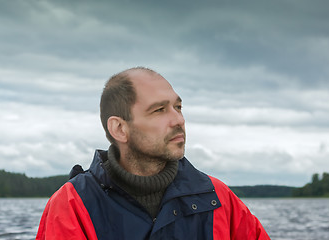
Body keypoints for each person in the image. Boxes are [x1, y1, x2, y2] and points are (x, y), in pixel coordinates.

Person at [36, 67, 270, 239]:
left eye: (178, 107)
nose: (178, 120)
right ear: (119, 128)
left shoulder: (218, 198)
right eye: (159, 110)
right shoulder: (73, 205)